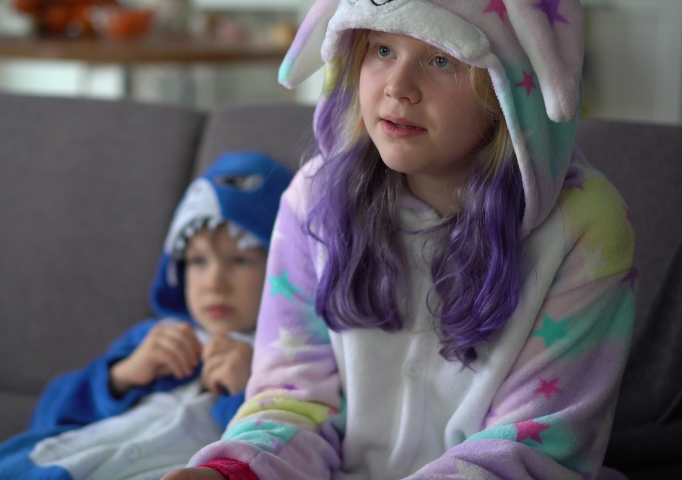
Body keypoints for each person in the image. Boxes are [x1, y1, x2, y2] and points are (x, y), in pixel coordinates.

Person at [164, 1, 636, 479]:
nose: (398, 87)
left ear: (508, 89)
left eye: (441, 59)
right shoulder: (311, 200)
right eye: (383, 50)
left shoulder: (585, 225)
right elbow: (291, 398)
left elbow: (536, 444)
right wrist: (232, 472)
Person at [0, 151, 293, 480]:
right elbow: (48, 415)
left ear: (281, 265)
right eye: (197, 261)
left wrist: (247, 392)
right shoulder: (153, 338)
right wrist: (122, 376)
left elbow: (289, 452)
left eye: (239, 261)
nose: (214, 283)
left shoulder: (286, 360)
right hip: (57, 465)